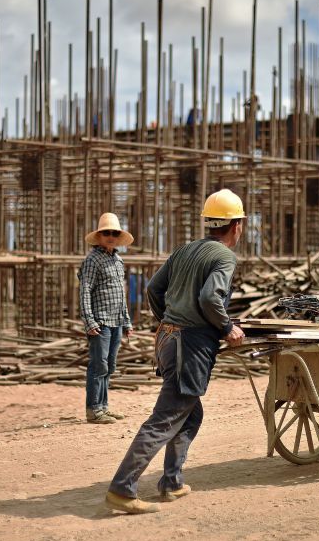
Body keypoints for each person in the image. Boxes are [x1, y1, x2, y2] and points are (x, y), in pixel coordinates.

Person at [105, 189, 246, 514]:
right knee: (165, 417)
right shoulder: (224, 257)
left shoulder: (185, 250)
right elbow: (211, 298)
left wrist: (170, 320)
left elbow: (155, 288)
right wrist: (227, 328)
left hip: (168, 340)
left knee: (190, 413)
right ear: (236, 226)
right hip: (189, 345)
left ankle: (172, 482)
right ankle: (122, 489)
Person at [78, 212, 134, 424]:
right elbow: (84, 291)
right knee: (98, 365)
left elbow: (121, 294)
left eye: (114, 233)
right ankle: (94, 410)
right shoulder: (92, 260)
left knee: (109, 365)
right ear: (99, 236)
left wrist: (126, 321)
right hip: (100, 322)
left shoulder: (118, 260)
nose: (110, 236)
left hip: (116, 321)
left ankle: (103, 407)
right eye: (106, 233)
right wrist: (89, 321)